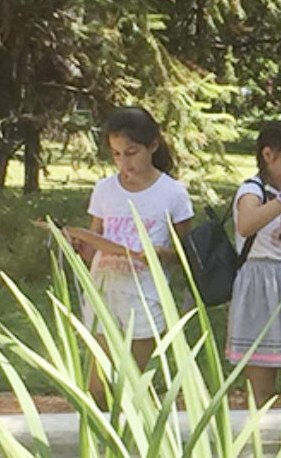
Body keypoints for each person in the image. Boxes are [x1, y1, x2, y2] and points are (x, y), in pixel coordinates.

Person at [46, 107, 193, 404]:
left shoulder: (172, 193)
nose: (124, 163)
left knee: (134, 385)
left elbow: (186, 253)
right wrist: (77, 244)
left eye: (131, 152)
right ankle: (102, 447)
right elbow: (94, 243)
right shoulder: (104, 190)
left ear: (152, 145)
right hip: (105, 291)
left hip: (144, 295)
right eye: (116, 154)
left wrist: (157, 254)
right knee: (99, 386)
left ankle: (142, 447)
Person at [225, 119, 281, 406]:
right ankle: (256, 431)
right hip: (258, 285)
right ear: (268, 155)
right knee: (260, 373)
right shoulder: (253, 190)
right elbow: (246, 224)